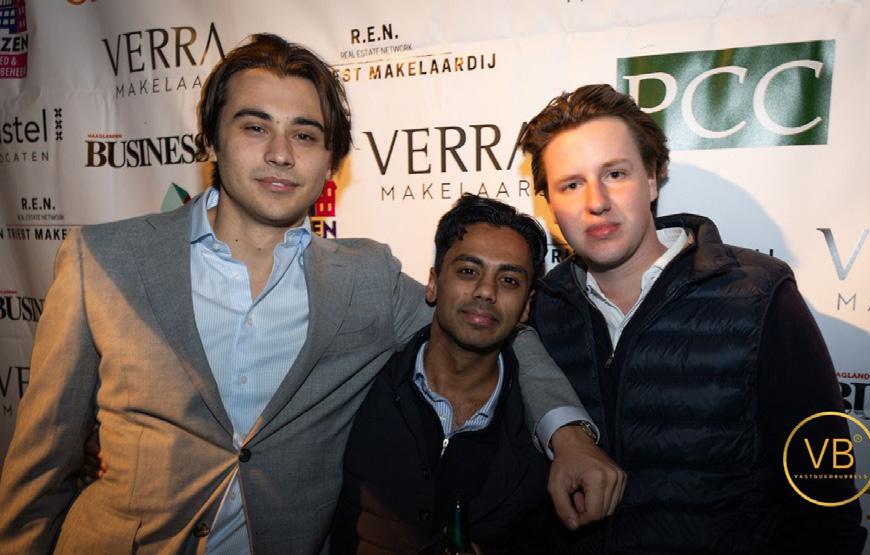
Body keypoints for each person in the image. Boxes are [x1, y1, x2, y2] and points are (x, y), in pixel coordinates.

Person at [0, 35, 620, 554]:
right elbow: (39, 467)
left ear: (330, 163)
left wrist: (569, 437)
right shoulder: (105, 259)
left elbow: (497, 328)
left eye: (304, 135)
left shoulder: (365, 279)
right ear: (210, 141)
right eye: (255, 126)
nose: (279, 154)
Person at [518, 84, 867, 553]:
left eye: (615, 173)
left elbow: (823, 492)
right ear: (549, 204)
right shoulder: (543, 306)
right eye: (571, 184)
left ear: (652, 179)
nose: (596, 201)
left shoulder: (757, 295)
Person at [331, 195, 557, 554]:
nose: (486, 291)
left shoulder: (541, 437)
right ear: (433, 283)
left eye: (509, 280)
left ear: (527, 306)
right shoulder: (359, 386)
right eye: (468, 271)